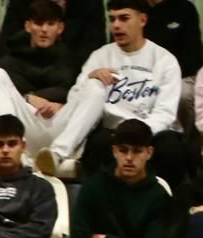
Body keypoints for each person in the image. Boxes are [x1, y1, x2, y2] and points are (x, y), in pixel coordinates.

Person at [31, 0, 186, 188]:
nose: (116, 25)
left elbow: (165, 114)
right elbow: (76, 103)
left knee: (171, 148)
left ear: (142, 20)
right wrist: (91, 78)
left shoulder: (164, 60)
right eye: (112, 19)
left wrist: (136, 134)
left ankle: (167, 207)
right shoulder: (99, 56)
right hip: (112, 131)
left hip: (151, 131)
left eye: (124, 18)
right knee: (98, 143)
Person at [0, 1, 82, 159]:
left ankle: (58, 154)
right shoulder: (9, 62)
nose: (44, 30)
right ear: (28, 26)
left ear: (60, 28)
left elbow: (75, 95)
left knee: (94, 86)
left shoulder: (72, 61)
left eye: (50, 24)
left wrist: (59, 105)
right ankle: (15, 150)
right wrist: (28, 98)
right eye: (39, 23)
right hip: (23, 127)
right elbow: (7, 97)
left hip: (61, 126)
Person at [145, 0, 201, 133]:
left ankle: (188, 143)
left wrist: (164, 78)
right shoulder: (132, 9)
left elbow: (193, 57)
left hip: (182, 75)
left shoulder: (185, 9)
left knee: (182, 94)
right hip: (142, 74)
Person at [0, 0, 106, 68]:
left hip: (72, 71)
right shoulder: (19, 3)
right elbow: (8, 43)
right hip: (26, 68)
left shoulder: (90, 3)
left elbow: (93, 47)